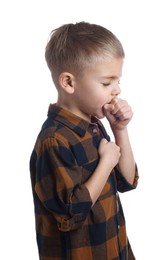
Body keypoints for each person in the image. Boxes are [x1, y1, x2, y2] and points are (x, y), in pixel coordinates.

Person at [30, 21, 139, 260]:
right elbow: (73, 212)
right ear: (69, 82)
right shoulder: (54, 140)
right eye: (106, 82)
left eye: (118, 80)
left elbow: (127, 181)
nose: (117, 90)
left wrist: (119, 129)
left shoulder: (94, 125)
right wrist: (106, 162)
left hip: (115, 251)